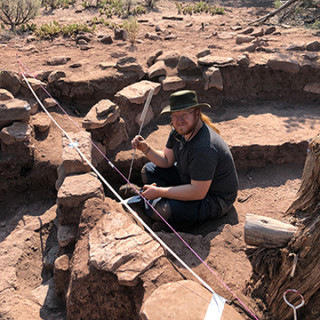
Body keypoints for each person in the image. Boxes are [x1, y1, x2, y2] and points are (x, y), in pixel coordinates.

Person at [131, 90, 238, 231]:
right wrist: (146, 148)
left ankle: (156, 205)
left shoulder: (205, 148)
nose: (179, 120)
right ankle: (156, 200)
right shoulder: (179, 132)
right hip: (190, 180)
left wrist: (160, 191)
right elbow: (167, 160)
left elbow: (197, 192)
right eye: (175, 116)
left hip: (214, 199)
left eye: (184, 115)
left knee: (159, 210)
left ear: (197, 113)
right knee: (149, 170)